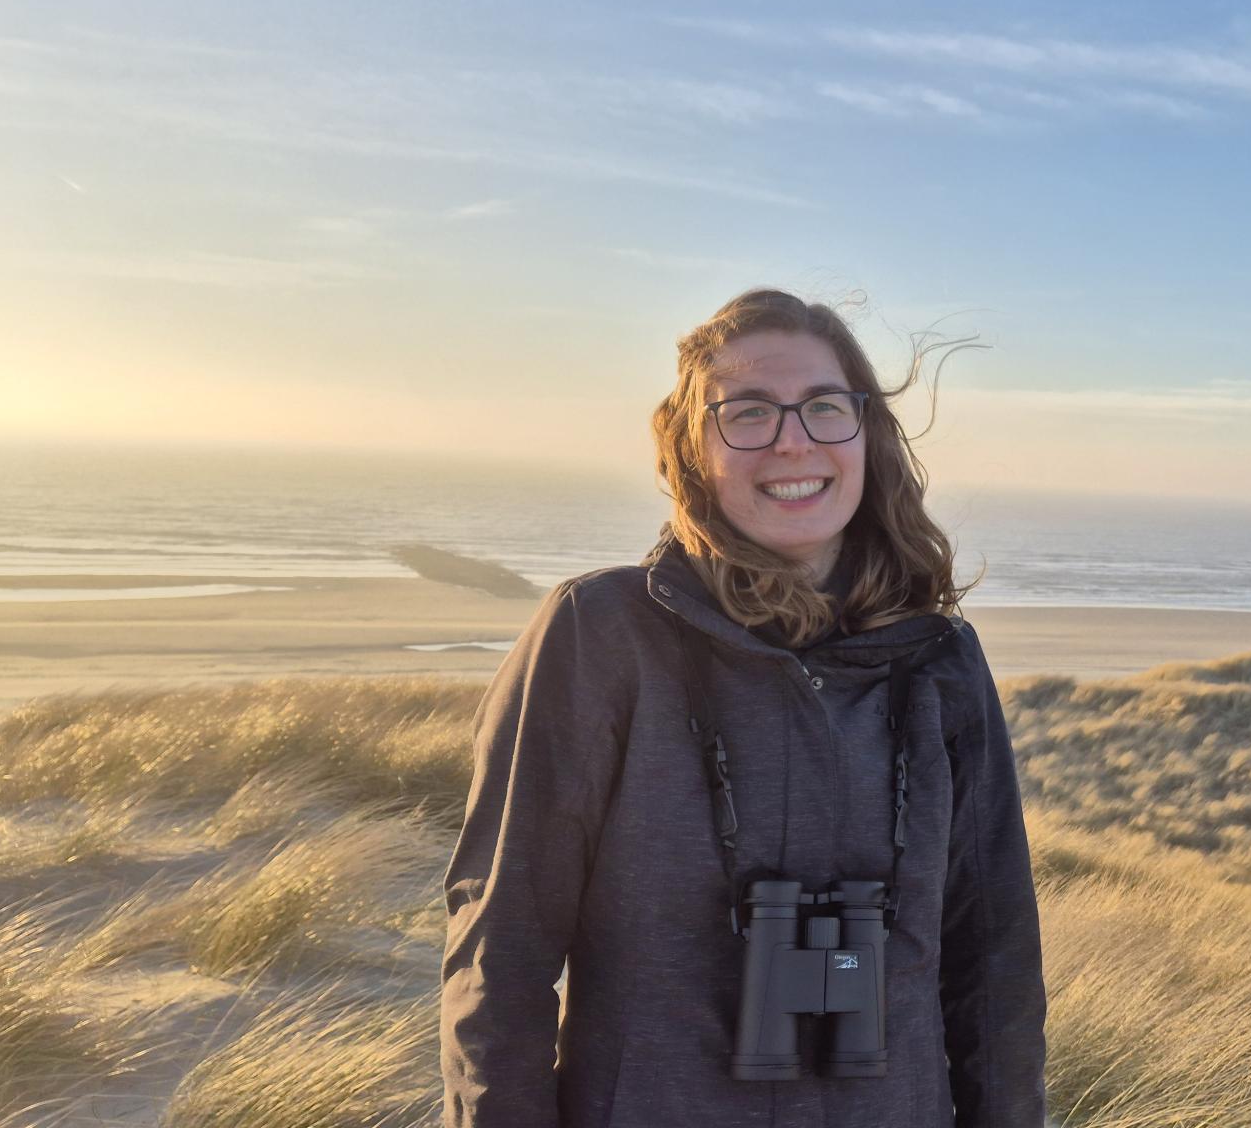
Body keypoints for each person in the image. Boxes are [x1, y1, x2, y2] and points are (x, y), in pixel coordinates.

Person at [440, 289, 1048, 1128]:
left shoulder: (939, 660)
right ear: (693, 448)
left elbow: (996, 965)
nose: (793, 439)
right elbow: (499, 950)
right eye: (749, 413)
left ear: (865, 433)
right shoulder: (602, 634)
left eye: (824, 407)